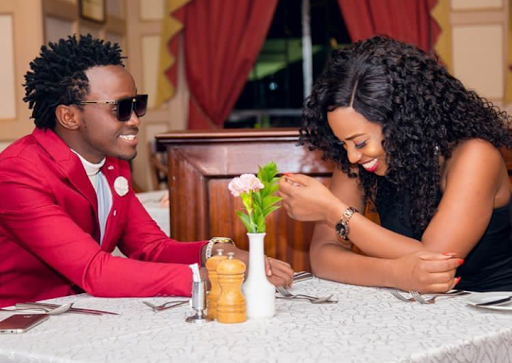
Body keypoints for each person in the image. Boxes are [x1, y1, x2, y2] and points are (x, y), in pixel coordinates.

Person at [0, 35, 293, 308]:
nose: (135, 120)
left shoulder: (112, 162)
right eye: (120, 108)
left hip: (80, 310)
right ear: (69, 116)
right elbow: (95, 271)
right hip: (21, 320)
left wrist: (217, 253)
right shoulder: (18, 173)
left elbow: (151, 247)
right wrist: (212, 276)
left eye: (137, 104)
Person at [279, 35, 512, 293]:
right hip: (413, 306)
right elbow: (323, 256)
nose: (352, 156)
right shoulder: (360, 160)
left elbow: (436, 258)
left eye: (359, 142)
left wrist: (334, 211)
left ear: (402, 123)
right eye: (342, 143)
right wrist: (396, 274)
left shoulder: (475, 155)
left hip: (489, 307)